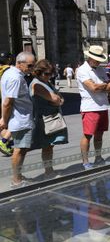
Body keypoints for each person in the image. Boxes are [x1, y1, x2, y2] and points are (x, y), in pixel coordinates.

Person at [0, 52, 36, 188]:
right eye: (30, 65)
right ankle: (16, 180)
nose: (32, 68)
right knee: (19, 150)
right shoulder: (15, 78)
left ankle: (18, 176)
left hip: (21, 119)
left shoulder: (10, 74)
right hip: (21, 120)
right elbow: (7, 102)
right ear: (19, 63)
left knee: (21, 149)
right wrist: (4, 119)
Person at [76, 45, 110, 169]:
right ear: (89, 57)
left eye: (99, 59)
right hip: (90, 107)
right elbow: (93, 88)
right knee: (88, 135)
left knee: (99, 134)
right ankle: (85, 161)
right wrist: (103, 86)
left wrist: (100, 86)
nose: (98, 61)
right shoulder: (82, 70)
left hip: (103, 106)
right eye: (96, 59)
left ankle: (98, 157)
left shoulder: (101, 69)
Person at [29, 59, 68, 177]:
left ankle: (49, 170)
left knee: (49, 146)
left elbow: (60, 99)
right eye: (46, 74)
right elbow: (57, 99)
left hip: (51, 119)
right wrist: (57, 101)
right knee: (46, 146)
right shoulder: (37, 84)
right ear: (38, 72)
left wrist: (57, 101)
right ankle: (48, 171)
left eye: (51, 73)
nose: (49, 76)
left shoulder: (47, 83)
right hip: (44, 120)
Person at [0, 52, 14, 156]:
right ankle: (4, 141)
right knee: (13, 121)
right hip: (5, 99)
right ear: (8, 59)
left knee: (2, 124)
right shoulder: (9, 70)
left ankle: (6, 144)